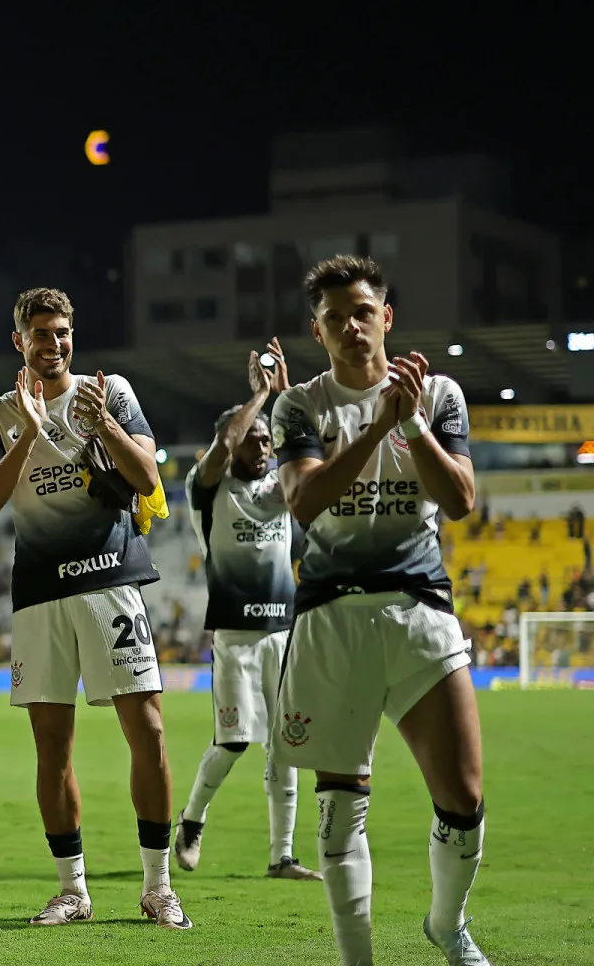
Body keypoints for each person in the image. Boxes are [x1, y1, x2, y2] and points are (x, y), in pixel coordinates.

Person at [269, 255, 487, 966]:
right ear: (318, 331)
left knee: (464, 794)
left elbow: (459, 502)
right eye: (336, 318)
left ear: (386, 317)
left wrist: (413, 425)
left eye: (363, 312)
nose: (352, 326)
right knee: (342, 802)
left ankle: (447, 925)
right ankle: (357, 959)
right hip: (332, 613)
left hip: (419, 606)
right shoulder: (299, 406)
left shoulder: (441, 394)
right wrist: (377, 428)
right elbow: (303, 502)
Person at [0, 287, 186, 929]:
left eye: (62, 331)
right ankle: (73, 890)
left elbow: (147, 479)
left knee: (146, 730)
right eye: (41, 333)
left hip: (108, 581)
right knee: (51, 746)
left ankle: (157, 886)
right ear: (20, 341)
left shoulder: (109, 390)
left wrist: (105, 424)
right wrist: (30, 434)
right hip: (39, 592)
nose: (54, 343)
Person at [176, 346, 322, 882]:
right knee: (233, 741)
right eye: (253, 438)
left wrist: (285, 396)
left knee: (287, 741)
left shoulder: (281, 489)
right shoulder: (209, 490)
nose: (262, 446)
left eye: (268, 439)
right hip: (235, 636)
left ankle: (281, 855)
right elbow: (225, 444)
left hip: (283, 631)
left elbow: (314, 449)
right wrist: (260, 394)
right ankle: (192, 820)